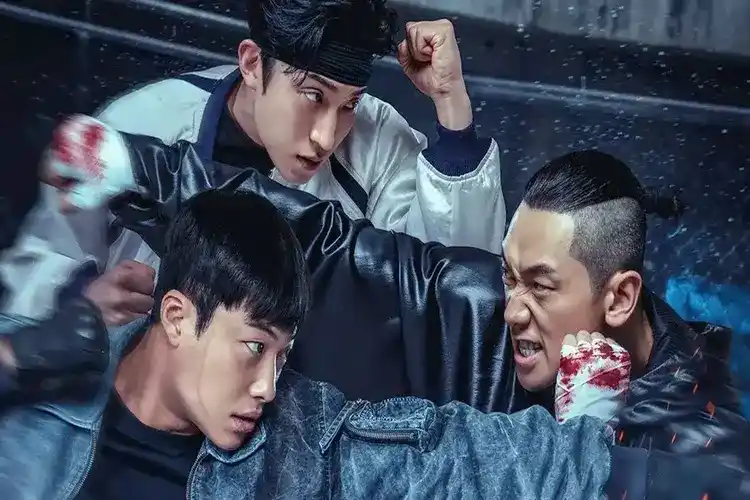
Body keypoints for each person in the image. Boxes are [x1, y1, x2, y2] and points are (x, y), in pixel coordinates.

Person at [40, 119, 750, 470]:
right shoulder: (480, 311)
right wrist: (138, 167)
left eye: (539, 286)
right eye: (509, 276)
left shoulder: (706, 444)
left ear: (619, 299)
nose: (512, 308)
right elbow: (321, 245)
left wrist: (594, 448)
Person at [0, 189, 746, 500]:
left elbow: (456, 457)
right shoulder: (41, 392)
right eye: (253, 348)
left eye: (283, 355)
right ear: (175, 317)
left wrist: (685, 475)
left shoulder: (299, 437)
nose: (267, 387)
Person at [0, 0, 506, 324]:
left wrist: (451, 104)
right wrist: (77, 300)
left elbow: (454, 287)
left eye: (349, 104)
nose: (326, 135)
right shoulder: (143, 129)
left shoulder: (376, 140)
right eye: (312, 95)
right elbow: (39, 262)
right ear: (251, 63)